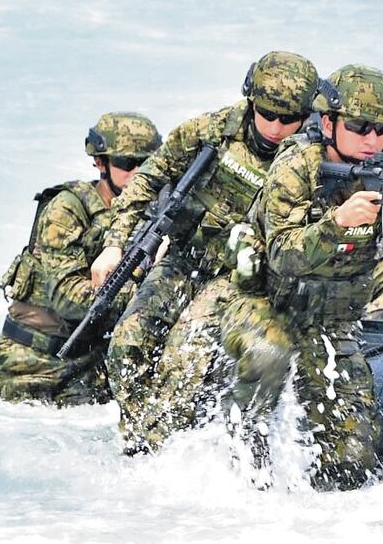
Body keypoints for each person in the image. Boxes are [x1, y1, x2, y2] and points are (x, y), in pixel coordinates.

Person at [221, 64, 383, 490]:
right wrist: (336, 225)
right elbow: (282, 255)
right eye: (359, 126)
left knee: (352, 459)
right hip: (268, 305)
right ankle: (240, 470)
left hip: (332, 320)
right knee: (268, 354)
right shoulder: (297, 164)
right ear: (328, 121)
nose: (373, 139)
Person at [92, 51, 319, 454]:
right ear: (251, 101)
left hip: (239, 277)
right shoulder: (211, 130)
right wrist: (114, 246)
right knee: (126, 344)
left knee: (184, 358)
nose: (278, 127)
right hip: (186, 258)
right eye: (268, 114)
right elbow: (148, 180)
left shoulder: (309, 158)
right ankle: (144, 442)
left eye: (290, 118)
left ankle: (164, 450)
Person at [0, 112, 162, 406]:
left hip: (91, 364)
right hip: (33, 366)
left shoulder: (148, 212)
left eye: (146, 164)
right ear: (101, 163)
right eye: (127, 163)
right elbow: (69, 299)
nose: (138, 173)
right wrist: (150, 287)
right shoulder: (66, 210)